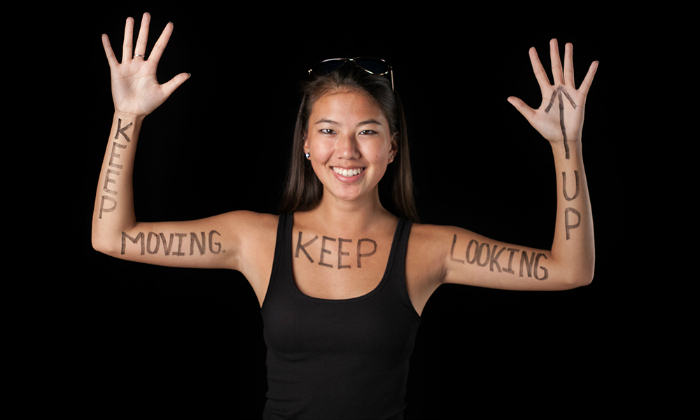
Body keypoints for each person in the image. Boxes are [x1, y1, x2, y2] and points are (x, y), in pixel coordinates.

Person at [93, 13, 598, 420]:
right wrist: (127, 116)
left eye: (369, 131)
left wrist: (566, 144)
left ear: (393, 147)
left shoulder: (430, 249)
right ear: (307, 145)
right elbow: (113, 238)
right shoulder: (253, 238)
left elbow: (570, 269)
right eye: (329, 131)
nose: (348, 151)